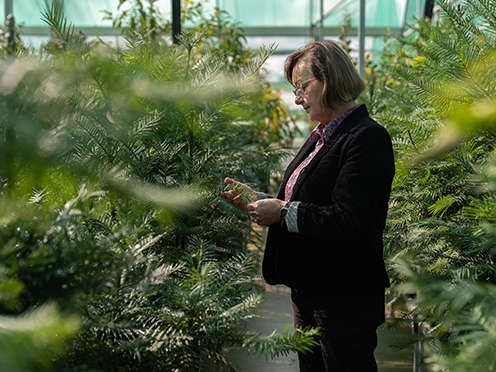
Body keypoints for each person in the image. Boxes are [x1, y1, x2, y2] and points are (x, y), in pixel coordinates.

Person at [220, 40, 395, 372]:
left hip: (343, 295)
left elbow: (347, 219)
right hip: (310, 289)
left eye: (302, 87)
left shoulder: (366, 138)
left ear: (328, 80)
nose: (297, 97)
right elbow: (305, 200)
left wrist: (282, 212)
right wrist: (259, 200)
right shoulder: (320, 136)